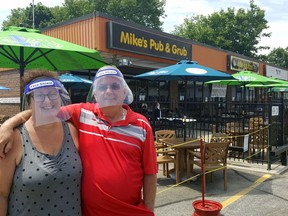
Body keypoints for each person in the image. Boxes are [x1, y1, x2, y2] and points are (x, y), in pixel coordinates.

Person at [0, 65, 158, 216]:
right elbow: (43, 111)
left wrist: (149, 209)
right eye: (102, 87)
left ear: (124, 91)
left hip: (131, 212)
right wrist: (8, 125)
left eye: (115, 86)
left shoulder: (141, 125)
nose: (109, 91)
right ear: (95, 94)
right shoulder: (83, 114)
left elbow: (150, 173)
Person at [0, 70, 82, 216]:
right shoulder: (14, 138)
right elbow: (1, 194)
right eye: (39, 95)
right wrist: (8, 125)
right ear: (29, 101)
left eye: (52, 94)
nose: (47, 101)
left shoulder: (72, 129)